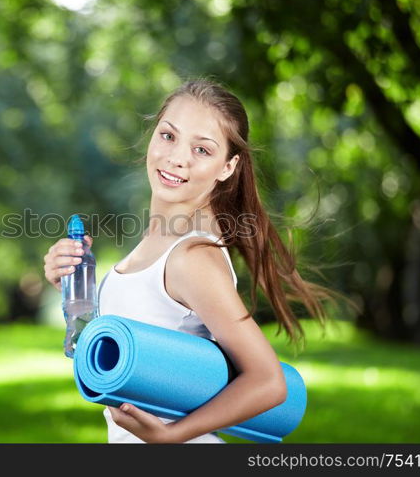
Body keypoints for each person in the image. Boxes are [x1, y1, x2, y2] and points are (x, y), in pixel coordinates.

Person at [43, 77, 341, 443]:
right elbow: (119, 361)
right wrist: (71, 289)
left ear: (228, 167)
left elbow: (268, 381)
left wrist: (172, 437)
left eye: (202, 150)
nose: (177, 158)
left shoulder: (192, 257)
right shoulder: (161, 242)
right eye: (168, 136)